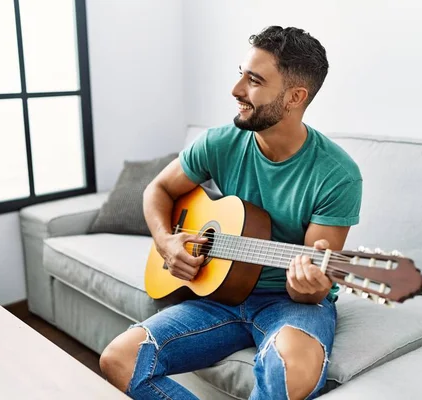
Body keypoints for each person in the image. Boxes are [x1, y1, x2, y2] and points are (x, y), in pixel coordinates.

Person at [99, 26, 362, 400]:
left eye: (253, 80)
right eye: (241, 74)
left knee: (290, 371)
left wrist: (309, 283)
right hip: (216, 297)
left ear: (295, 97)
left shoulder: (337, 173)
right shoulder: (219, 142)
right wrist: (166, 242)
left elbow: (312, 281)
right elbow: (157, 189)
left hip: (287, 304)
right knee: (118, 359)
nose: (236, 90)